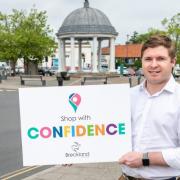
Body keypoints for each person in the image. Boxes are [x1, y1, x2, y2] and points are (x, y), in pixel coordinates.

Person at [118, 35, 180, 180]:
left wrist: (145, 159)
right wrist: (74, 150)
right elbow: (107, 131)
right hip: (125, 177)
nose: (153, 64)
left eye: (160, 59)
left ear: (173, 62)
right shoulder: (127, 96)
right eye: (148, 59)